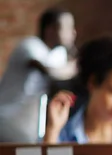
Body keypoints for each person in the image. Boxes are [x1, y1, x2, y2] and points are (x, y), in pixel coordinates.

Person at [0, 7, 77, 143]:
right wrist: (75, 67)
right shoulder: (30, 46)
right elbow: (47, 71)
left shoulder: (59, 54)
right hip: (7, 120)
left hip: (28, 126)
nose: (73, 32)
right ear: (50, 29)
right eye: (68, 27)